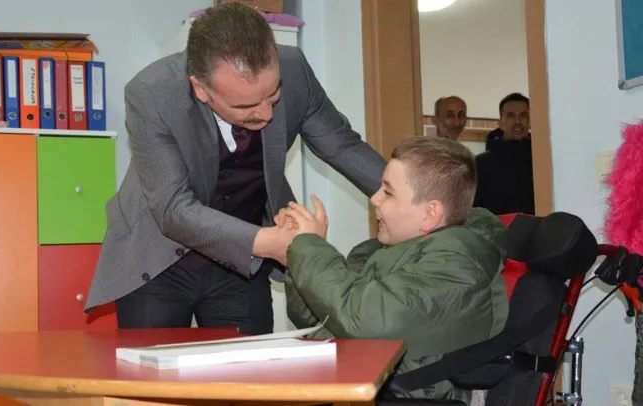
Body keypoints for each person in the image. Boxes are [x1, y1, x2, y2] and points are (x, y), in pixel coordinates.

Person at [83, 3, 387, 335]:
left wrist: (407, 196)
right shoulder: (152, 93)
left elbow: (342, 146)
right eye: (245, 105)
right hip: (158, 258)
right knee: (153, 369)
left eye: (272, 94)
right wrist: (270, 242)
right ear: (201, 89)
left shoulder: (295, 69)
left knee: (251, 366)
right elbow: (172, 209)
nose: (266, 114)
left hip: (241, 263)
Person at [277, 136, 509, 404]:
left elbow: (361, 321)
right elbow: (316, 319)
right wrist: (294, 256)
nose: (375, 199)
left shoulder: (457, 266)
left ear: (430, 214)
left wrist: (309, 248)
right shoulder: (386, 251)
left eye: (388, 192)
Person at [475, 92, 534, 215]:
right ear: (501, 123)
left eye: (523, 116)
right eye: (511, 116)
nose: (518, 121)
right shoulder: (481, 164)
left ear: (530, 121)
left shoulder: (540, 161)